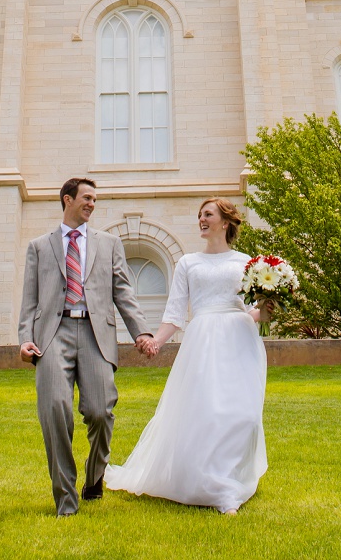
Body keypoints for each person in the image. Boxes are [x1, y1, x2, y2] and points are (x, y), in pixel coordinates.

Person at [106, 197, 270, 514]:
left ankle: (230, 476)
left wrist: (266, 310)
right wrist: (155, 341)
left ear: (226, 222)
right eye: (199, 215)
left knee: (244, 414)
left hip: (240, 338)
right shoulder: (188, 263)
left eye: (208, 214)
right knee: (208, 410)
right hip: (204, 339)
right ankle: (219, 488)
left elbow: (254, 312)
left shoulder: (246, 262)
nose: (201, 220)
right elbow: (175, 314)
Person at [19, 177, 156, 517]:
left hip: (97, 334)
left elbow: (123, 291)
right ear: (68, 199)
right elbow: (29, 300)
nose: (92, 204)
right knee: (54, 411)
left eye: (95, 199)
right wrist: (25, 338)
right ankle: (66, 499)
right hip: (53, 334)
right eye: (87, 198)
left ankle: (94, 477)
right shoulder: (39, 246)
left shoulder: (109, 244)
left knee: (100, 411)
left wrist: (140, 331)